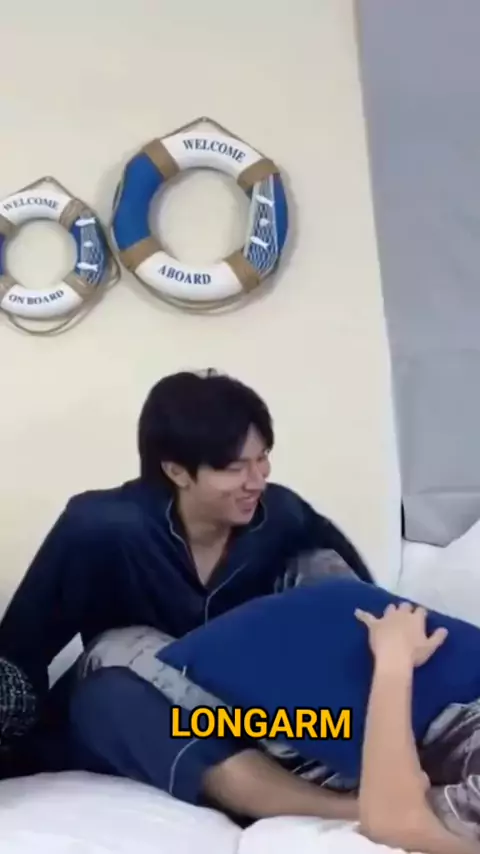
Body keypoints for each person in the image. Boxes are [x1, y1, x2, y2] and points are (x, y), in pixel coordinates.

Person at [0, 369, 372, 783]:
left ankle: (353, 747)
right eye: (235, 467)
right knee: (120, 646)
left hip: (246, 723)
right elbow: (18, 654)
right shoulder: (100, 526)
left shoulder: (281, 515)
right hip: (128, 707)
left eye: (263, 457)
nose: (257, 481)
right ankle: (303, 759)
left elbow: (362, 602)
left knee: (319, 567)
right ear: (177, 471)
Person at [68, 577, 480, 853]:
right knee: (305, 556)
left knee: (112, 659)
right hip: (366, 702)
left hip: (343, 739)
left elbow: (395, 819)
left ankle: (325, 804)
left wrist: (394, 660)